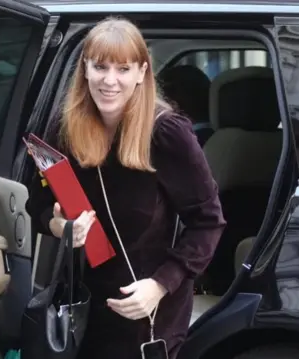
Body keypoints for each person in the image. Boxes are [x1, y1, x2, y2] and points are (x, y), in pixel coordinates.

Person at [25, 17, 226, 359]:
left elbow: (208, 221)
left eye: (123, 68)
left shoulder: (166, 133)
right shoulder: (65, 128)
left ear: (141, 73)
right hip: (86, 308)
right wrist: (58, 225)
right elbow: (38, 201)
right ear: (84, 70)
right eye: (100, 67)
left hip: (150, 311)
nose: (110, 81)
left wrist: (161, 284)